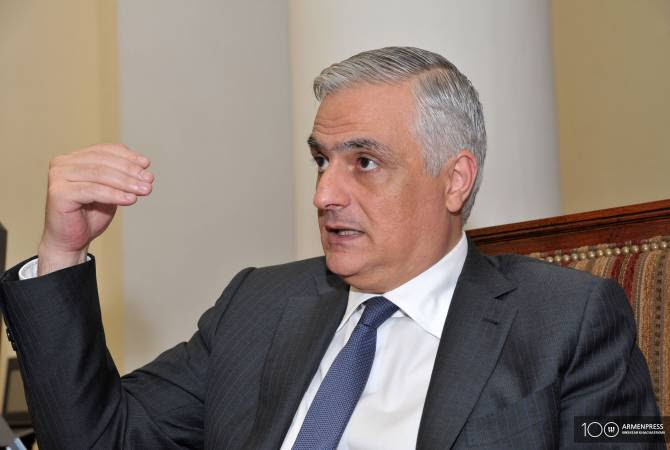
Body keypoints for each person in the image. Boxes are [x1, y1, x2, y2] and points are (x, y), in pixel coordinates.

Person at [0, 47, 662, 449]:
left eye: (364, 162)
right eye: (322, 160)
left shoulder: (568, 320)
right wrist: (62, 251)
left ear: (454, 179)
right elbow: (98, 438)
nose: (324, 194)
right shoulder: (259, 305)